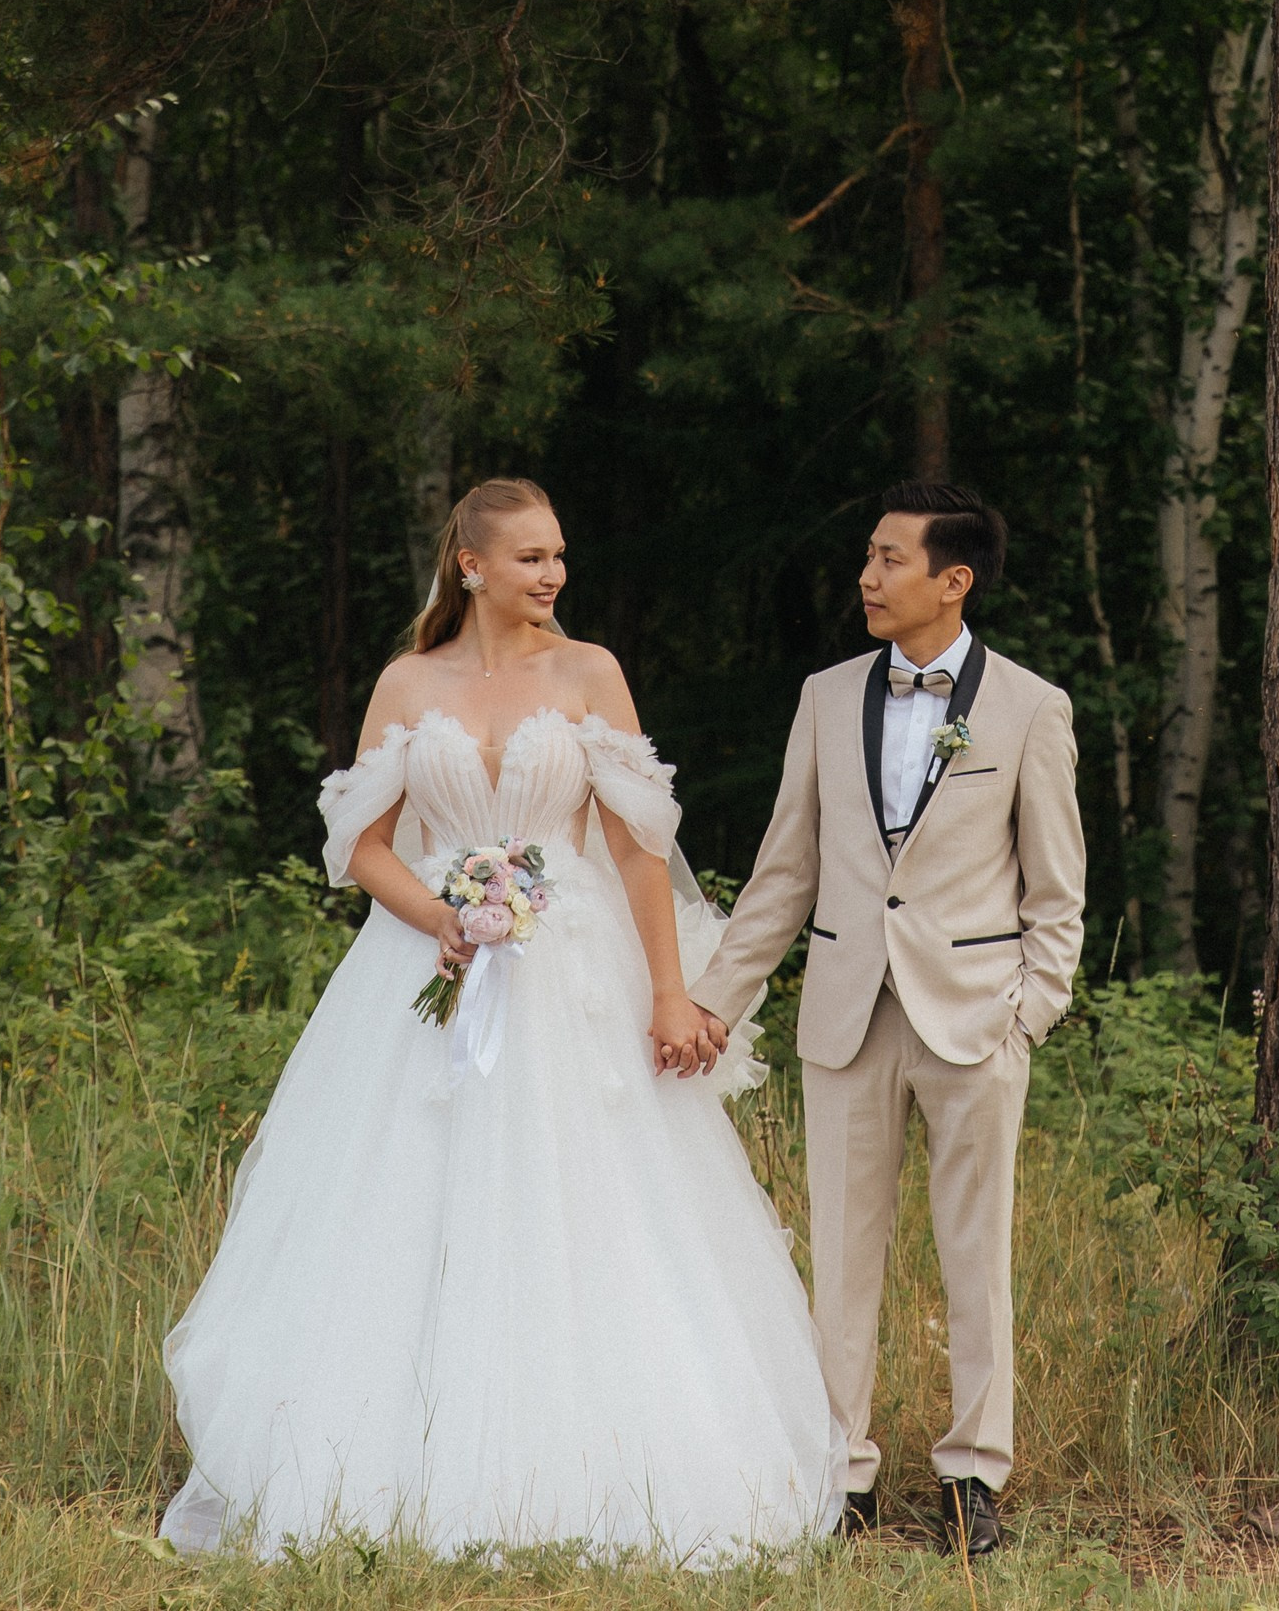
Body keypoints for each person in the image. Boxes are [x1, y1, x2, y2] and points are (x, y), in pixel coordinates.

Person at [159, 479, 847, 1562]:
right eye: (531, 556)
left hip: (570, 970)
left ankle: (594, 1465)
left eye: (559, 554)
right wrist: (441, 913)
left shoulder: (588, 672)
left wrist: (672, 991)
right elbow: (365, 844)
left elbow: (632, 845)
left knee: (581, 1205)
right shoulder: (407, 679)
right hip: (425, 973)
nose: (554, 574)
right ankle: (383, 1463)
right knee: (400, 1204)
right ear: (469, 565)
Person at [691, 485, 1087, 1559]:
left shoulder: (1027, 707)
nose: (865, 577)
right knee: (841, 1252)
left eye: (887, 559)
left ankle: (970, 1477)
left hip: (974, 1020)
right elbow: (784, 871)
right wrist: (710, 1006)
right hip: (844, 1010)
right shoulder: (823, 696)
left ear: (952, 579)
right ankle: (838, 1470)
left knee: (976, 1254)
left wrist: (1028, 1016)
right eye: (866, 557)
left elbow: (1057, 891)